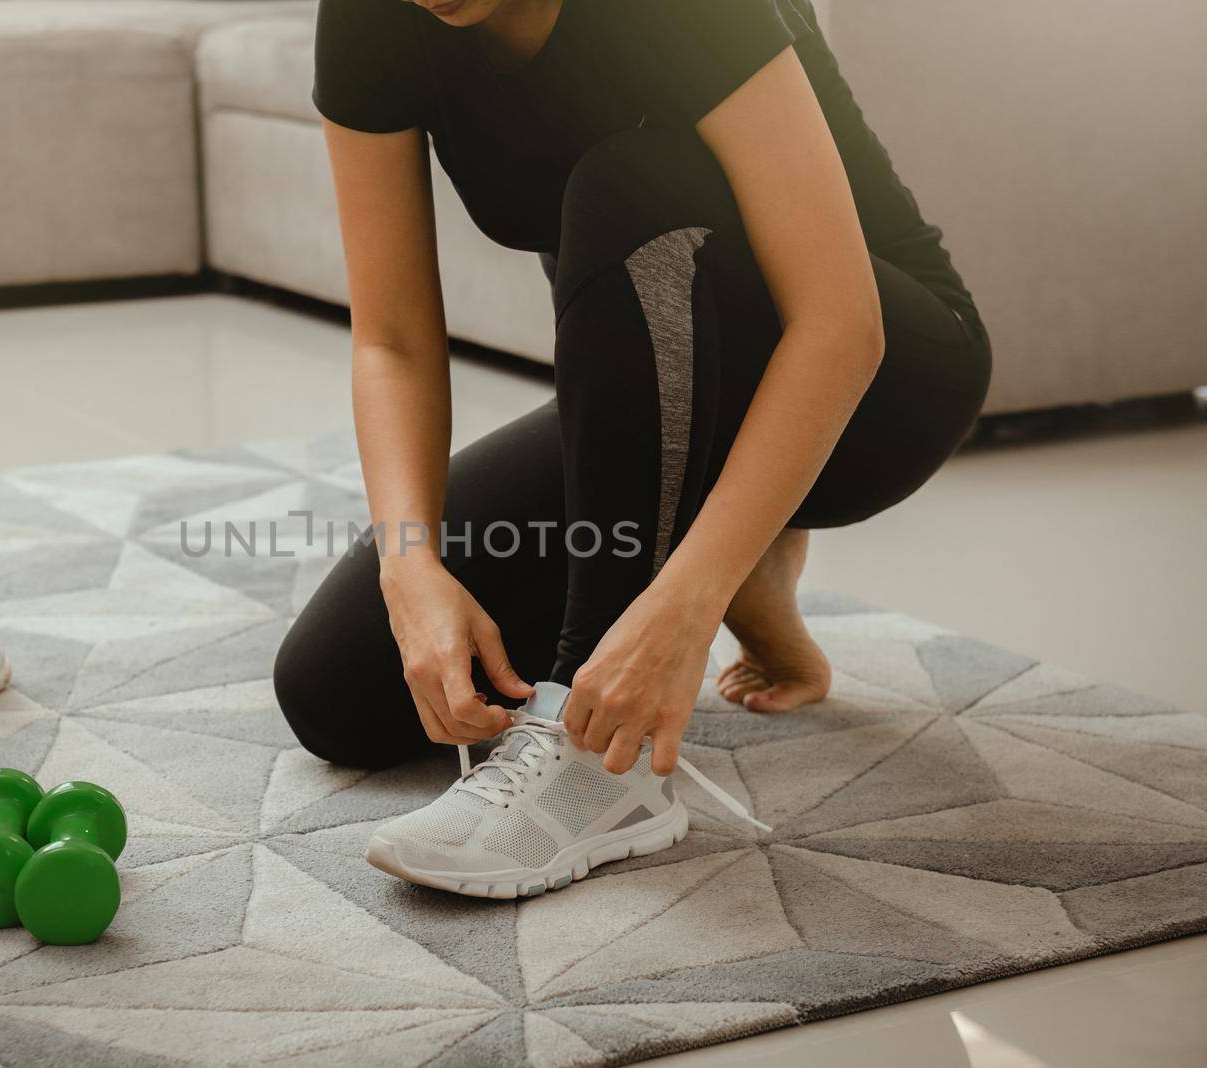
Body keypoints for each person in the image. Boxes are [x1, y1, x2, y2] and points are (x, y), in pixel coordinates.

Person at [273, 0, 992, 897]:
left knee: (632, 180)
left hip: (877, 389)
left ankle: (599, 776)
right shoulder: (373, 13)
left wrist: (684, 612)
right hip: (662, 398)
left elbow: (842, 325)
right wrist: (410, 570)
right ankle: (737, 560)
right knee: (339, 693)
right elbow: (393, 341)